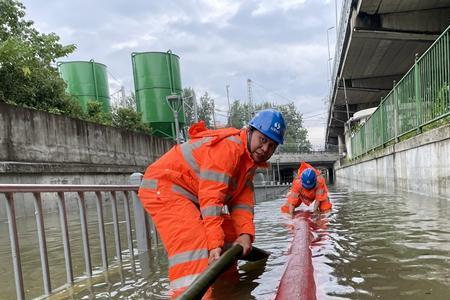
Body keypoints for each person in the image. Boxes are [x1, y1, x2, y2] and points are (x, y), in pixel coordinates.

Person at [138, 109, 286, 298]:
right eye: (263, 140)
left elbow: (242, 205)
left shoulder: (248, 164)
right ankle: (186, 294)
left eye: (272, 146)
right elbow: (211, 199)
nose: (265, 149)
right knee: (194, 244)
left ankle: (226, 290)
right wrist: (214, 243)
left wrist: (245, 235)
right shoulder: (229, 148)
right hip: (165, 188)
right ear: (249, 131)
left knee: (230, 235)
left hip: (191, 196)